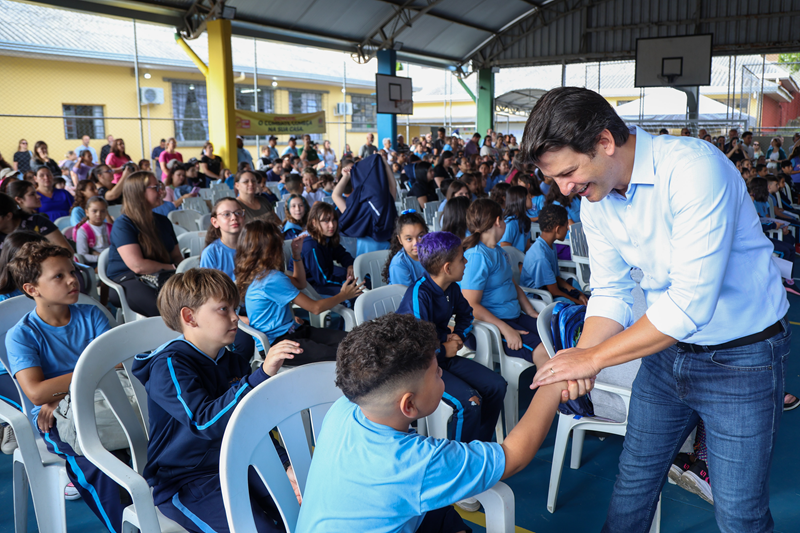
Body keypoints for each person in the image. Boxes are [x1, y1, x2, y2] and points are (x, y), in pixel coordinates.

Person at [519, 86, 791, 533]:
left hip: (742, 358)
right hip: (666, 352)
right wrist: (579, 360)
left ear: (605, 142)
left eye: (568, 172)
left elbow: (689, 304)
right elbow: (610, 291)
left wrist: (592, 359)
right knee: (634, 480)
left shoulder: (693, 170)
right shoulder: (597, 199)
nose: (564, 188)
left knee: (739, 511)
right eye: (556, 180)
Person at [295, 312, 589, 533]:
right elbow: (514, 457)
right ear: (408, 404)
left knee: (441, 512)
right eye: (438, 374)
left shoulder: (345, 408)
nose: (442, 378)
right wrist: (553, 384)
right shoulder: (415, 462)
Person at [132, 269, 302, 533]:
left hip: (240, 461)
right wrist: (260, 377)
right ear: (189, 317)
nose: (236, 318)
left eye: (235, 308)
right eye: (223, 309)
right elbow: (203, 422)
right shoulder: (169, 366)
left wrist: (285, 465)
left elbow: (254, 422)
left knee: (305, 507)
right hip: (187, 480)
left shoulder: (231, 360)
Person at [5, 241, 128, 529]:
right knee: (98, 463)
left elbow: (120, 364)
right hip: (56, 422)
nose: (73, 279)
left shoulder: (92, 315)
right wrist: (86, 378)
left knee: (137, 450)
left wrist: (59, 395)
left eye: (72, 271)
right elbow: (36, 393)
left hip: (103, 405)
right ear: (32, 289)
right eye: (58, 276)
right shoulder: (22, 335)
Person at [396, 232, 508, 457]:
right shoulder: (419, 294)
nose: (466, 262)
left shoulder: (452, 289)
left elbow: (466, 316)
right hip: (418, 367)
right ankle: (458, 461)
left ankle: (478, 448)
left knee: (497, 385)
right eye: (461, 259)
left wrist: (456, 336)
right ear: (448, 268)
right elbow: (416, 344)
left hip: (442, 358)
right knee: (469, 403)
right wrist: (441, 349)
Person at [235, 220, 362, 362]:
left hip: (293, 331)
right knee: (349, 352)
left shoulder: (260, 273)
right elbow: (315, 308)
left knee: (352, 342)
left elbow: (300, 283)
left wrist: (296, 255)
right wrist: (344, 295)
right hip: (278, 344)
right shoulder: (271, 279)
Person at [461, 199, 546, 363]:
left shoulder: (498, 251)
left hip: (513, 316)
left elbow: (512, 284)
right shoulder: (477, 256)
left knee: (553, 334)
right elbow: (470, 305)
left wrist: (531, 312)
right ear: (498, 221)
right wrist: (505, 329)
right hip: (490, 328)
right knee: (543, 351)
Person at [106, 172, 183, 317]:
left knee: (196, 299)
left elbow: (176, 255)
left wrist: (184, 270)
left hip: (162, 276)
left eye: (160, 186)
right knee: (163, 309)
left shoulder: (163, 221)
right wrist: (173, 268)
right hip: (127, 279)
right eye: (156, 187)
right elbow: (138, 266)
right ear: (139, 193)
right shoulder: (123, 224)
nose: (162, 191)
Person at [521, 205, 588, 305]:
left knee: (575, 286)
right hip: (540, 296)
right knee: (571, 303)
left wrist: (579, 294)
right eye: (566, 226)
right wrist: (578, 302)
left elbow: (556, 278)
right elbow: (554, 291)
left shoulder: (550, 245)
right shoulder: (540, 256)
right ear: (557, 229)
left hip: (551, 287)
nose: (567, 229)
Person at [334, 154, 398, 256]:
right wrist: (383, 162)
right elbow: (393, 187)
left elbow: (335, 195)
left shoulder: (355, 209)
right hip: (389, 254)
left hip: (364, 263)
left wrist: (346, 176)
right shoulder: (385, 202)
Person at [299, 202, 358, 299]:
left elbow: (341, 254)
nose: (332, 225)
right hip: (311, 287)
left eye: (333, 220)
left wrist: (349, 264)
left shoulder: (326, 238)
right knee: (355, 292)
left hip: (323, 279)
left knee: (364, 281)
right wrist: (347, 283)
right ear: (314, 223)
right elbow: (324, 279)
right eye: (326, 221)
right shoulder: (311, 246)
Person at [382, 210, 428, 287]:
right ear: (400, 240)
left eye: (420, 236)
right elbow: (407, 296)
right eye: (409, 239)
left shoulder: (431, 253)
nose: (416, 243)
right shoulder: (399, 264)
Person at [74, 196, 111, 265]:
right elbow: (82, 256)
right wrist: (102, 258)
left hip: (111, 259)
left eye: (102, 211)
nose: (98, 214)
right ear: (87, 212)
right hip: (94, 262)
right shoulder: (83, 231)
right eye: (94, 211)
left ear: (106, 212)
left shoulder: (111, 228)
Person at [499, 185, 532, 253]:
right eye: (528, 197)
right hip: (512, 261)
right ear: (521, 200)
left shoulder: (525, 221)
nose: (531, 198)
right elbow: (505, 248)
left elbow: (527, 247)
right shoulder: (510, 223)